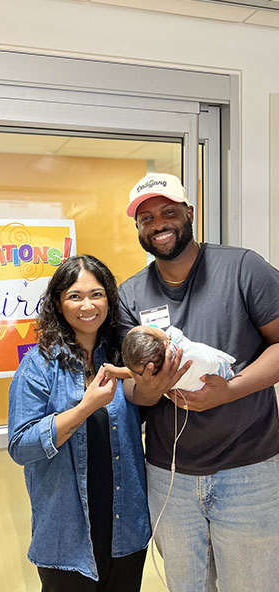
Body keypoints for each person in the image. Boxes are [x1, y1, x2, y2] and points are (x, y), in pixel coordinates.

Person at [118, 172, 279, 592]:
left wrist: (231, 391)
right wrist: (152, 388)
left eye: (168, 212)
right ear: (139, 228)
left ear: (189, 213)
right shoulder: (130, 296)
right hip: (170, 475)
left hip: (249, 471)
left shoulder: (242, 267)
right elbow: (132, 387)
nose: (158, 224)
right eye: (146, 218)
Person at [8, 254, 150, 592]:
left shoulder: (120, 356)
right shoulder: (39, 364)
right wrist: (85, 407)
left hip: (125, 525)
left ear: (109, 299)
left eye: (96, 294)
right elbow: (21, 446)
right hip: (66, 533)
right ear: (58, 303)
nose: (87, 305)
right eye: (75, 295)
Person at [104, 324, 235, 391]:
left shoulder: (156, 371)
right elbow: (165, 333)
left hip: (206, 378)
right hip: (218, 368)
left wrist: (114, 370)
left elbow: (130, 373)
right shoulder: (175, 342)